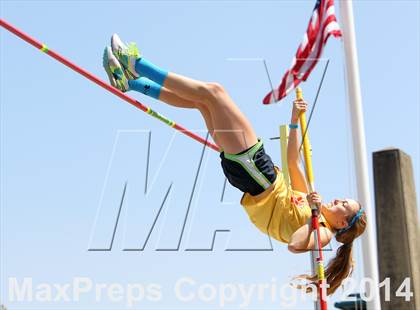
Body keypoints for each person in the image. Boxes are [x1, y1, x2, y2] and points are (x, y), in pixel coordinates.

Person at [103, 34, 367, 295]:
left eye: (346, 205)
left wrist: (313, 216)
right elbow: (292, 161)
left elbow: (296, 245)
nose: (342, 199)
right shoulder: (313, 203)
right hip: (255, 173)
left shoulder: (322, 230)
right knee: (201, 101)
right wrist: (295, 120)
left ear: (343, 223)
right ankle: (132, 84)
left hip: (258, 176)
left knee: (214, 92)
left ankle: (136, 63)